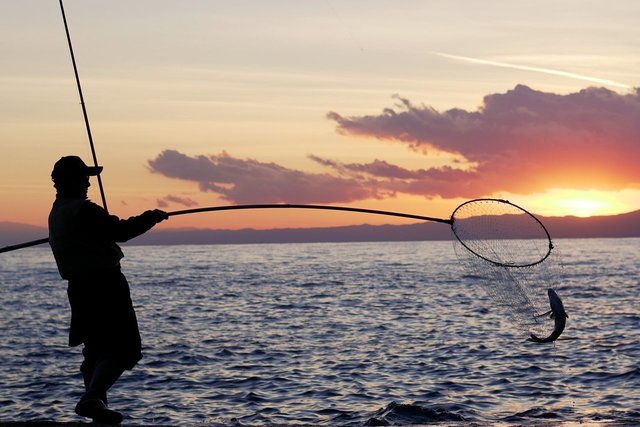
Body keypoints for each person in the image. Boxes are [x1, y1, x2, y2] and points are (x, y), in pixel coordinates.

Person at [48, 155, 168, 424]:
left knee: (95, 351)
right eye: (83, 177)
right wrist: (151, 217)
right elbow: (121, 231)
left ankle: (96, 409)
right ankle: (93, 398)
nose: (88, 183)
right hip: (105, 286)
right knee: (125, 349)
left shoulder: (58, 212)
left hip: (79, 290)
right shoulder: (84, 211)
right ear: (68, 180)